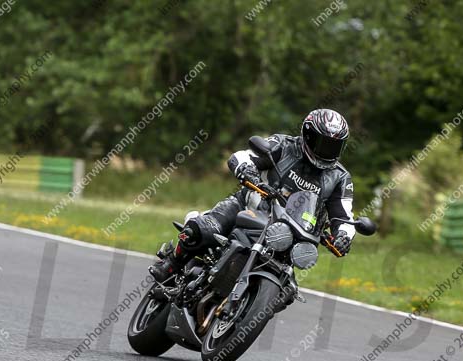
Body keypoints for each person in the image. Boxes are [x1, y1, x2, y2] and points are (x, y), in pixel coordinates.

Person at [150, 108, 356, 282]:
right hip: (249, 207)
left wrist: (344, 236)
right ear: (308, 135)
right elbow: (243, 156)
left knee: (288, 289)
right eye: (323, 143)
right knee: (201, 229)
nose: (327, 151)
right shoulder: (284, 146)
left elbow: (344, 215)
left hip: (289, 236)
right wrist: (247, 171)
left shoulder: (339, 177)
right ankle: (172, 262)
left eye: (334, 146)